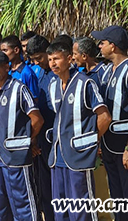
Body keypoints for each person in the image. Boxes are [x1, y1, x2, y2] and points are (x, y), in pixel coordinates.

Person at [45, 41, 111, 221]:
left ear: (69, 59)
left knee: (81, 207)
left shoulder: (85, 83)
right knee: (61, 208)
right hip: (57, 157)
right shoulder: (53, 85)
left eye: (56, 59)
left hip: (79, 156)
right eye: (50, 59)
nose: (53, 63)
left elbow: (104, 117)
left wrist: (91, 142)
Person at [92, 26, 128, 221]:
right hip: (110, 147)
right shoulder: (108, 71)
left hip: (127, 147)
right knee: (118, 199)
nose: (99, 46)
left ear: (113, 46)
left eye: (102, 43)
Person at [0, 51, 44, 221]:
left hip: (15, 157)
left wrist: (27, 141)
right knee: (2, 204)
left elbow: (37, 120)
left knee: (23, 202)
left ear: (7, 67)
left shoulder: (19, 88)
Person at [26, 35, 57, 221]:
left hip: (58, 137)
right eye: (33, 60)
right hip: (43, 138)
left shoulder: (60, 74)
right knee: (45, 185)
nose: (37, 62)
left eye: (39, 58)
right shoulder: (40, 74)